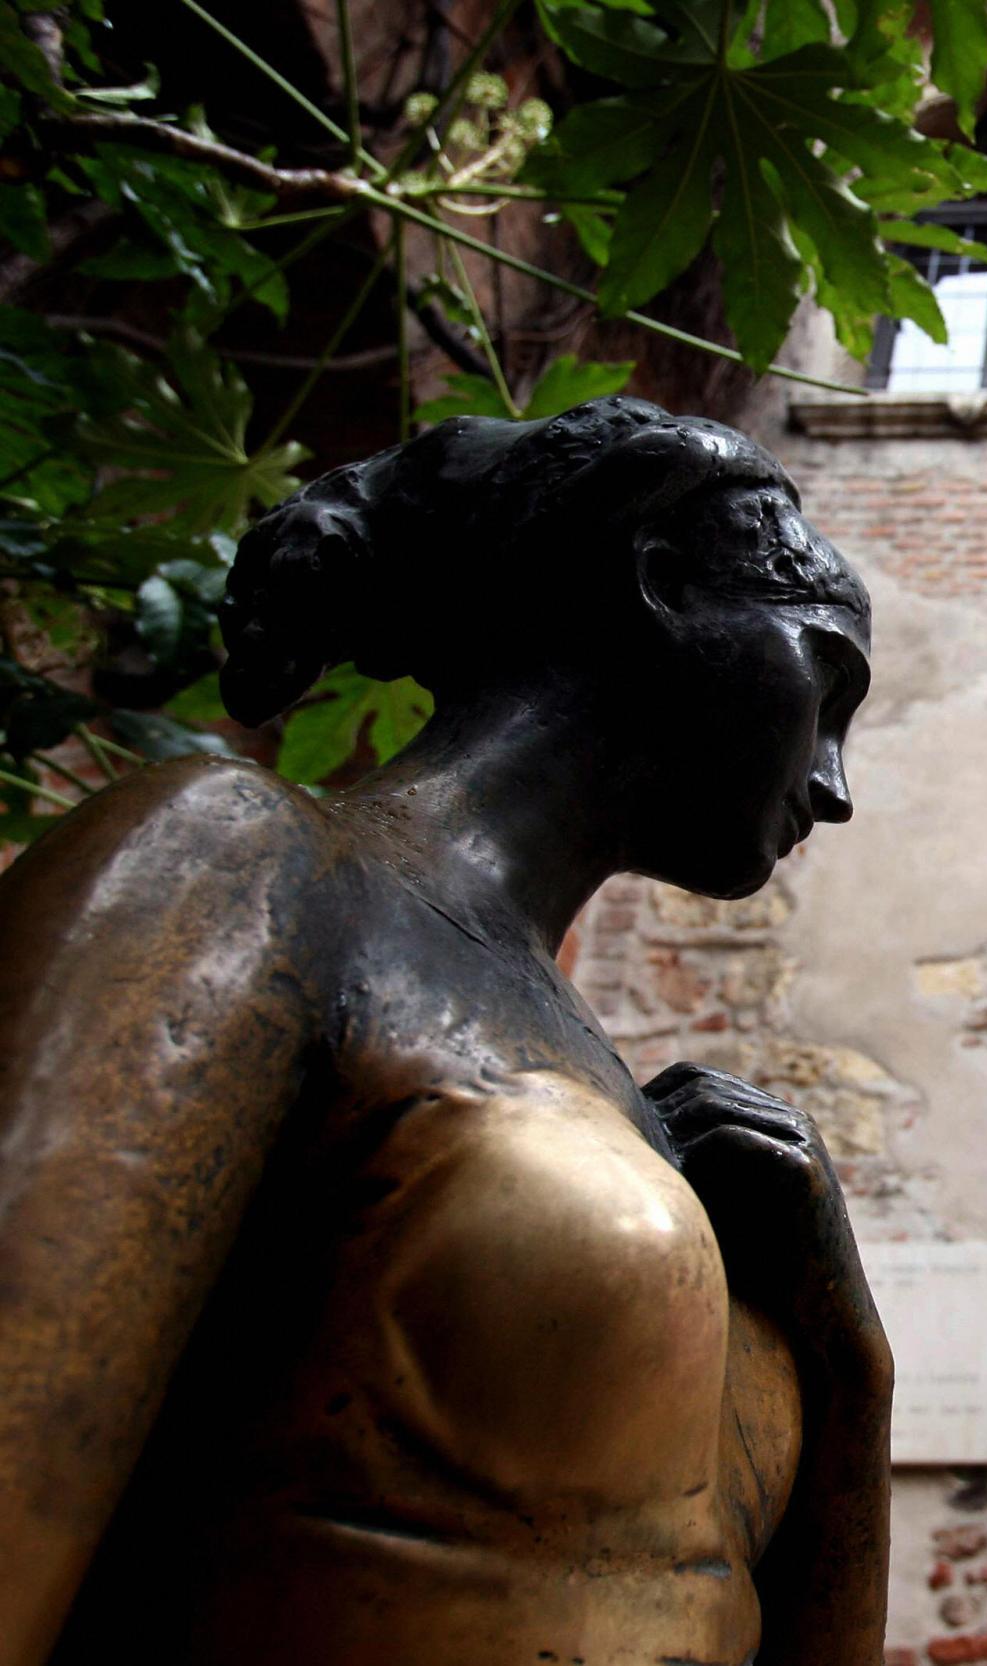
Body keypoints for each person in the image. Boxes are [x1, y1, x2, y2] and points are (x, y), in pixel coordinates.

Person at [0, 397, 889, 1666]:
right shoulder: (245, 868)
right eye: (827, 682)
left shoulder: (633, 1116)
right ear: (662, 580)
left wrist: (847, 1357)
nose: (835, 786)